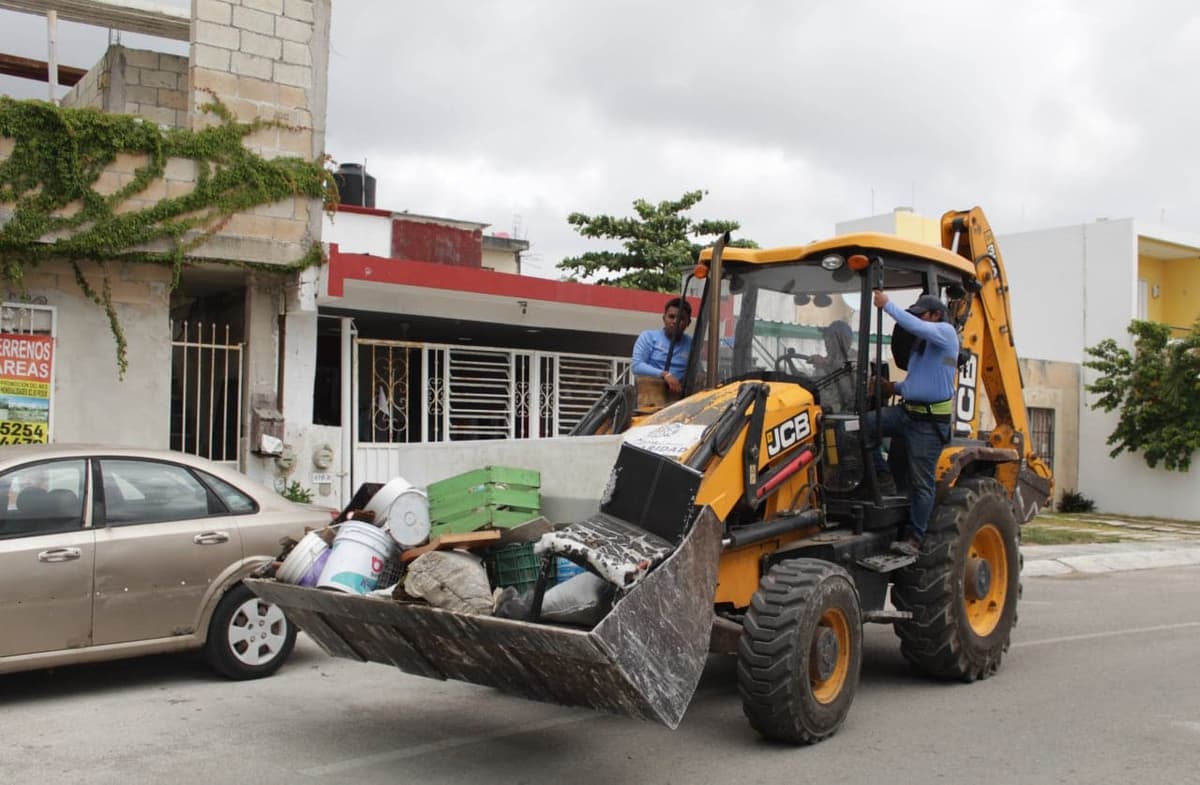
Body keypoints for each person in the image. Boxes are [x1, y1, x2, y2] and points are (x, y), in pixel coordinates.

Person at [870, 290, 959, 557]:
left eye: (922, 315)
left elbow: (914, 325)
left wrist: (887, 305)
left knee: (922, 483)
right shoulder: (922, 348)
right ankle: (882, 476)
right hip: (906, 413)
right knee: (858, 427)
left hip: (928, 424)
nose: (917, 320)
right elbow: (918, 384)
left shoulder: (945, 333)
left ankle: (915, 538)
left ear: (936, 315)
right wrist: (890, 387)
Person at [631, 297, 693, 396]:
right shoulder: (648, 337)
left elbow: (698, 371)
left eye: (681, 318)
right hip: (650, 396)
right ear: (664, 318)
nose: (675, 321)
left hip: (680, 398)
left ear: (688, 323)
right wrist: (665, 375)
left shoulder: (691, 344)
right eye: (671, 317)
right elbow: (637, 366)